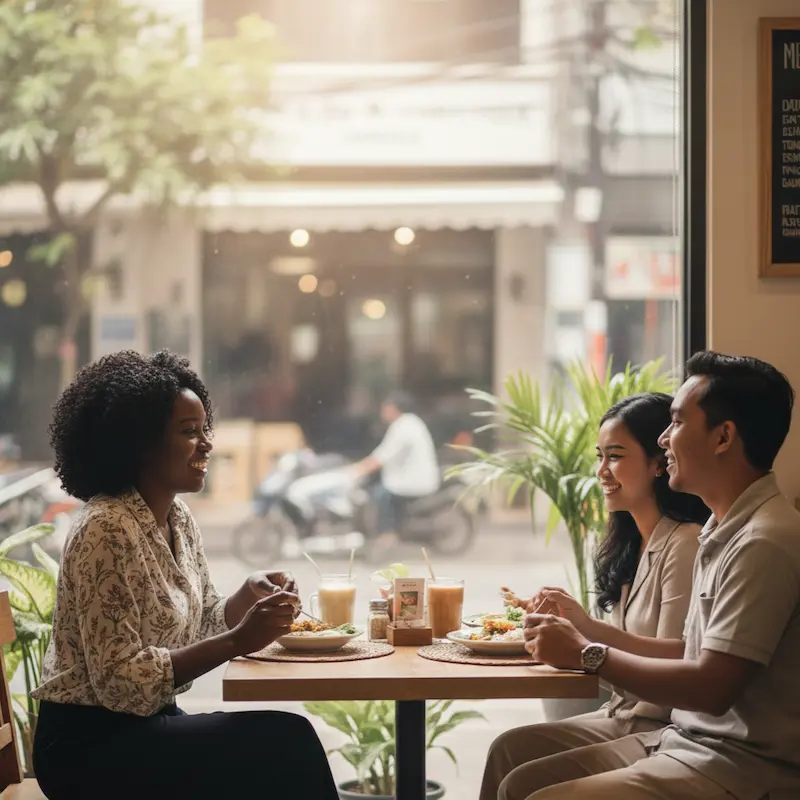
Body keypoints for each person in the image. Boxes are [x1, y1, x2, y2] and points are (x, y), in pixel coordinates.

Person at [31, 350, 338, 800]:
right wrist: (239, 640)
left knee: (279, 748)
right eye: (189, 432)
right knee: (288, 743)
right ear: (140, 442)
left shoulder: (177, 518)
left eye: (205, 429)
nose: (207, 444)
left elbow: (199, 621)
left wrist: (244, 599)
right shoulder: (105, 528)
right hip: (87, 747)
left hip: (146, 726)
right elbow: (120, 683)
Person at [521, 351, 800, 800]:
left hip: (739, 766)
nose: (664, 439)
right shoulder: (721, 530)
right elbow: (689, 656)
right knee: (517, 774)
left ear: (723, 437)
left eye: (677, 422)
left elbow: (711, 688)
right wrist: (584, 633)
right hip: (686, 742)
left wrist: (587, 653)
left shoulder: (762, 541)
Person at [481, 393, 709, 800]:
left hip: (660, 727)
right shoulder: (632, 544)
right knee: (506, 749)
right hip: (620, 715)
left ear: (659, 463)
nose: (602, 470)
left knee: (520, 780)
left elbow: (678, 655)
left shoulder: (685, 543)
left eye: (615, 456)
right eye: (600, 456)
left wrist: (585, 631)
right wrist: (572, 620)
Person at [352, 390, 440, 545]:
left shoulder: (403, 427)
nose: (382, 411)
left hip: (414, 481)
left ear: (393, 408)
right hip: (411, 477)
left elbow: (382, 457)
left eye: (385, 408)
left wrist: (357, 470)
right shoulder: (411, 422)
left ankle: (388, 533)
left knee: (380, 494)